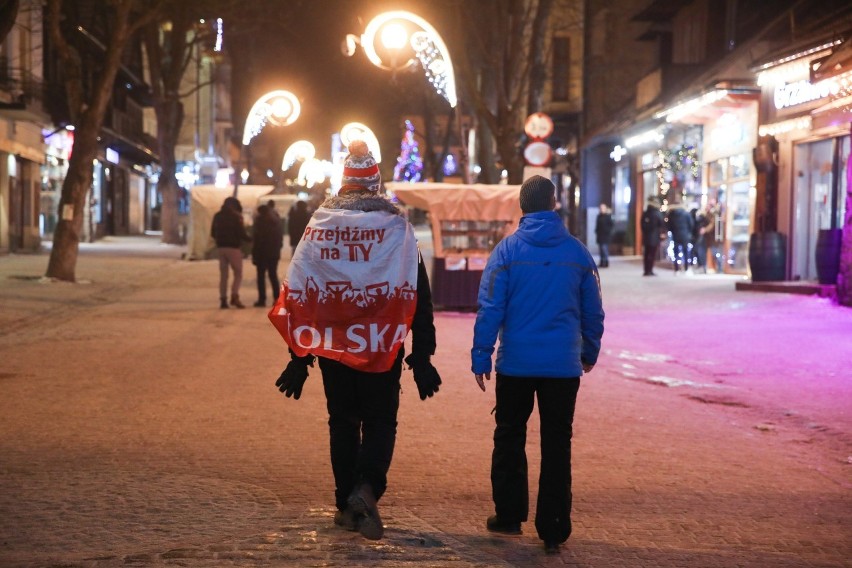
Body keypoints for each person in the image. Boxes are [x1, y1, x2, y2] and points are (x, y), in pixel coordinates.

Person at [269, 140, 441, 541]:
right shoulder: (397, 228)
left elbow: (301, 290)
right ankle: (367, 490)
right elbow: (418, 293)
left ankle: (346, 504)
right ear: (376, 185)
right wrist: (422, 355)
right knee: (381, 421)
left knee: (342, 423)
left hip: (333, 348)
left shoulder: (320, 225)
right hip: (381, 346)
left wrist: (299, 356)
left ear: (342, 183)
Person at [471, 175, 605, 555]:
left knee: (510, 434)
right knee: (557, 443)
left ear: (523, 207)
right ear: (554, 203)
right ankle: (554, 526)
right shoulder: (578, 253)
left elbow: (490, 307)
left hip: (515, 364)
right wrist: (589, 351)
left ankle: (510, 515)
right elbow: (592, 311)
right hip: (563, 366)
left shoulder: (506, 252)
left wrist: (481, 354)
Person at [211, 196, 251, 309]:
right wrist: (250, 239)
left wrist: (219, 240)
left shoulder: (217, 216)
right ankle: (234, 295)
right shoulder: (236, 217)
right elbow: (241, 233)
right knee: (238, 273)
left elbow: (213, 232)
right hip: (233, 247)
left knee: (224, 275)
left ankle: (223, 299)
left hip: (221, 247)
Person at [251, 204, 283, 307]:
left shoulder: (259, 222)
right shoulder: (276, 222)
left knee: (261, 277)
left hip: (262, 254)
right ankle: (277, 298)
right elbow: (280, 239)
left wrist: (254, 254)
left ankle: (262, 299)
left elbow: (257, 240)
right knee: (273, 275)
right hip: (273, 253)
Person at [666, 201, 693, 273]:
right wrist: (688, 232)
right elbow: (691, 224)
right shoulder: (686, 213)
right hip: (685, 235)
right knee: (685, 252)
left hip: (675, 235)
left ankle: (676, 269)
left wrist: (672, 231)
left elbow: (669, 226)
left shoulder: (671, 214)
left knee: (676, 252)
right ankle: (686, 268)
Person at [640, 196, 665, 276]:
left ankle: (646, 270)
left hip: (647, 237)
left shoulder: (646, 213)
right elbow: (661, 224)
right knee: (652, 254)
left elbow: (642, 225)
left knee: (647, 254)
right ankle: (649, 270)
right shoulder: (657, 213)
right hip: (654, 237)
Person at [691, 206, 710, 273]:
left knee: (699, 251)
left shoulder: (702, 218)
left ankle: (702, 267)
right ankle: (702, 267)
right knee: (698, 251)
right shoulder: (700, 219)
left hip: (700, 237)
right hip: (699, 237)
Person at [594, 203, 614, 268]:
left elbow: (611, 225)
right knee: (601, 250)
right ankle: (602, 262)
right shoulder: (598, 216)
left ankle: (606, 262)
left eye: (603, 208)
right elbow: (597, 226)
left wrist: (607, 231)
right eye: (601, 208)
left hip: (606, 236)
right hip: (600, 235)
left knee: (604, 249)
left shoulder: (608, 216)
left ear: (605, 209)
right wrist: (596, 231)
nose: (602, 209)